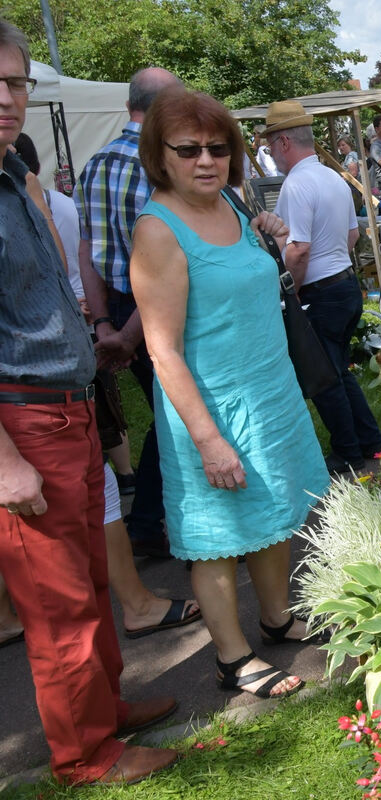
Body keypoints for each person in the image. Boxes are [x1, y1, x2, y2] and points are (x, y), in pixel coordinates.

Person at [0, 19, 179, 784]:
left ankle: (103, 712)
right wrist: (5, 462)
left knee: (91, 582)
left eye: (16, 82)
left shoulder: (14, 175)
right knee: (58, 599)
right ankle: (86, 757)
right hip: (23, 422)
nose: (8, 98)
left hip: (67, 407)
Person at [131, 87, 329, 698]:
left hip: (268, 392)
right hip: (210, 408)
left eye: (218, 148)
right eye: (188, 149)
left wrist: (265, 230)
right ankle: (232, 658)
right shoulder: (158, 230)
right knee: (218, 540)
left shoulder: (233, 204)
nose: (206, 160)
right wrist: (208, 439)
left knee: (276, 514)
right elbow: (162, 350)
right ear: (159, 155)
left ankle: (276, 620)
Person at [75, 65, 182, 559]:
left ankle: (148, 523)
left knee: (169, 413)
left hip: (120, 308)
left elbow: (88, 250)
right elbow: (169, 267)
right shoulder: (162, 165)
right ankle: (169, 526)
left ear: (128, 106)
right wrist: (129, 333)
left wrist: (105, 324)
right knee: (182, 411)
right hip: (157, 309)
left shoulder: (94, 165)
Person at [265, 100, 381, 475]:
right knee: (337, 370)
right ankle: (369, 441)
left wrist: (292, 291)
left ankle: (348, 451)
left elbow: (298, 249)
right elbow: (352, 236)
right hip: (345, 283)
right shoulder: (333, 177)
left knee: (322, 377)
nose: (271, 154)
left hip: (319, 291)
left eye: (270, 145)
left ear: (284, 142)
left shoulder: (296, 185)